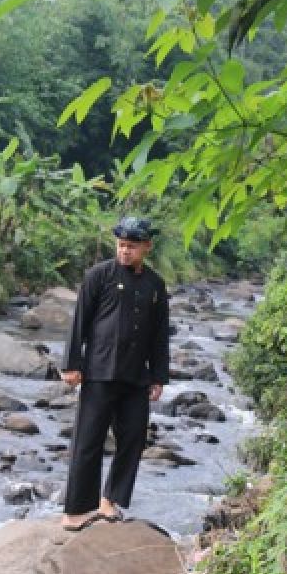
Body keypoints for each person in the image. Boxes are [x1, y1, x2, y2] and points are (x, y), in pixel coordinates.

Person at [59, 216, 170, 532]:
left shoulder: (155, 286)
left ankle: (110, 502)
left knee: (133, 439)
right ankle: (76, 512)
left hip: (136, 377)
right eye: (121, 245)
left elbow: (160, 333)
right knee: (88, 440)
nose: (125, 251)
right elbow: (80, 321)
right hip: (99, 371)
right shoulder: (99, 276)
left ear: (146, 247)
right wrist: (72, 364)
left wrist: (158, 375)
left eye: (132, 247)